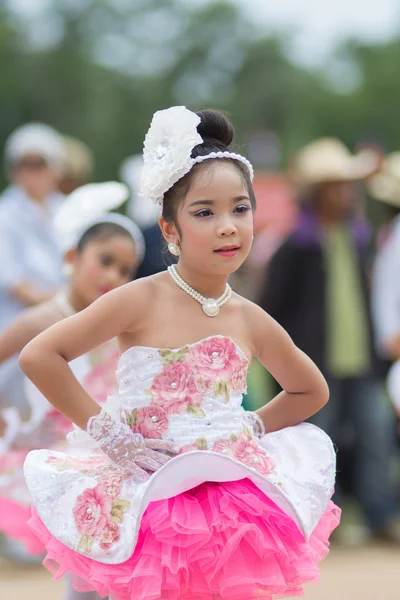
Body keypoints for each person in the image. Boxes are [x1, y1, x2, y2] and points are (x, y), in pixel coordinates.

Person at [21, 107, 339, 600]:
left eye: (240, 208)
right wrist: (111, 435)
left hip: (226, 506)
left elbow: (310, 389)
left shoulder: (250, 318)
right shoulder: (140, 298)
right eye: (204, 212)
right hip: (144, 492)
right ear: (169, 231)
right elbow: (41, 355)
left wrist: (251, 428)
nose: (228, 226)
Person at [0, 183, 143, 597]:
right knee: (85, 571)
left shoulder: (122, 323)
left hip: (108, 459)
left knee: (111, 568)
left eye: (124, 270)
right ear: (71, 258)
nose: (113, 276)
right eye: (105, 262)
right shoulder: (39, 321)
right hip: (59, 461)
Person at [259, 138, 399, 544]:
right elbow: (270, 311)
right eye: (337, 186)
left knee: (375, 430)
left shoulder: (355, 237)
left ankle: (379, 514)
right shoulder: (294, 246)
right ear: (318, 193)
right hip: (314, 363)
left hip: (359, 357)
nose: (346, 194)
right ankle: (322, 519)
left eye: (348, 186)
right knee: (318, 441)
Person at [0, 123, 66, 416]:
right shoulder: (6, 214)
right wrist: (65, 299)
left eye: (39, 164)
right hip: (17, 323)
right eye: (24, 165)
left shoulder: (64, 209)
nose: (32, 174)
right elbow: (14, 282)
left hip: (63, 318)